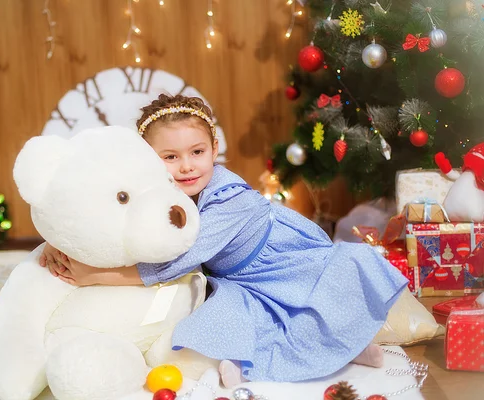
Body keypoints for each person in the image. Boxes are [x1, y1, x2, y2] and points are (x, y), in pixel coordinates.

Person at [40, 94, 408, 387]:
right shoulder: (162, 194)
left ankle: (351, 345)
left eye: (196, 152)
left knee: (311, 304)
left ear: (214, 150)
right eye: (171, 157)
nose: (186, 166)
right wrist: (69, 244)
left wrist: (93, 275)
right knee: (239, 315)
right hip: (240, 277)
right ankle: (263, 356)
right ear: (150, 161)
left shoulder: (230, 200)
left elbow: (175, 261)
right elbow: (118, 221)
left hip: (283, 260)